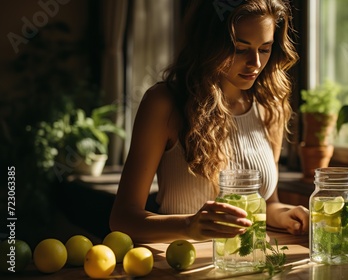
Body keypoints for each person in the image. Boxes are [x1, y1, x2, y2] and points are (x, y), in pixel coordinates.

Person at [109, 0, 309, 243]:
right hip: (179, 265)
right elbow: (122, 218)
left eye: (264, 48)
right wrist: (187, 226)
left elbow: (268, 203)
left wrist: (287, 214)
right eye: (239, 48)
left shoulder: (270, 106)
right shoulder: (164, 103)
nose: (255, 63)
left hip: (247, 263)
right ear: (209, 44)